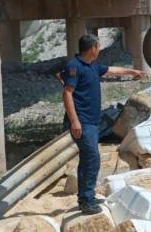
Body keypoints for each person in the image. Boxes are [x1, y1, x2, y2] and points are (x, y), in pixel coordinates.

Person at [62, 34, 146, 214]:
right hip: (81, 122)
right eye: (98, 47)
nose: (100, 50)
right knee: (92, 158)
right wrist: (75, 121)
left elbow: (110, 70)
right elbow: (67, 93)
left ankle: (87, 197)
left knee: (89, 159)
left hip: (92, 122)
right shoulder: (74, 66)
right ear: (92, 48)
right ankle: (86, 200)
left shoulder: (92, 66)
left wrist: (131, 72)